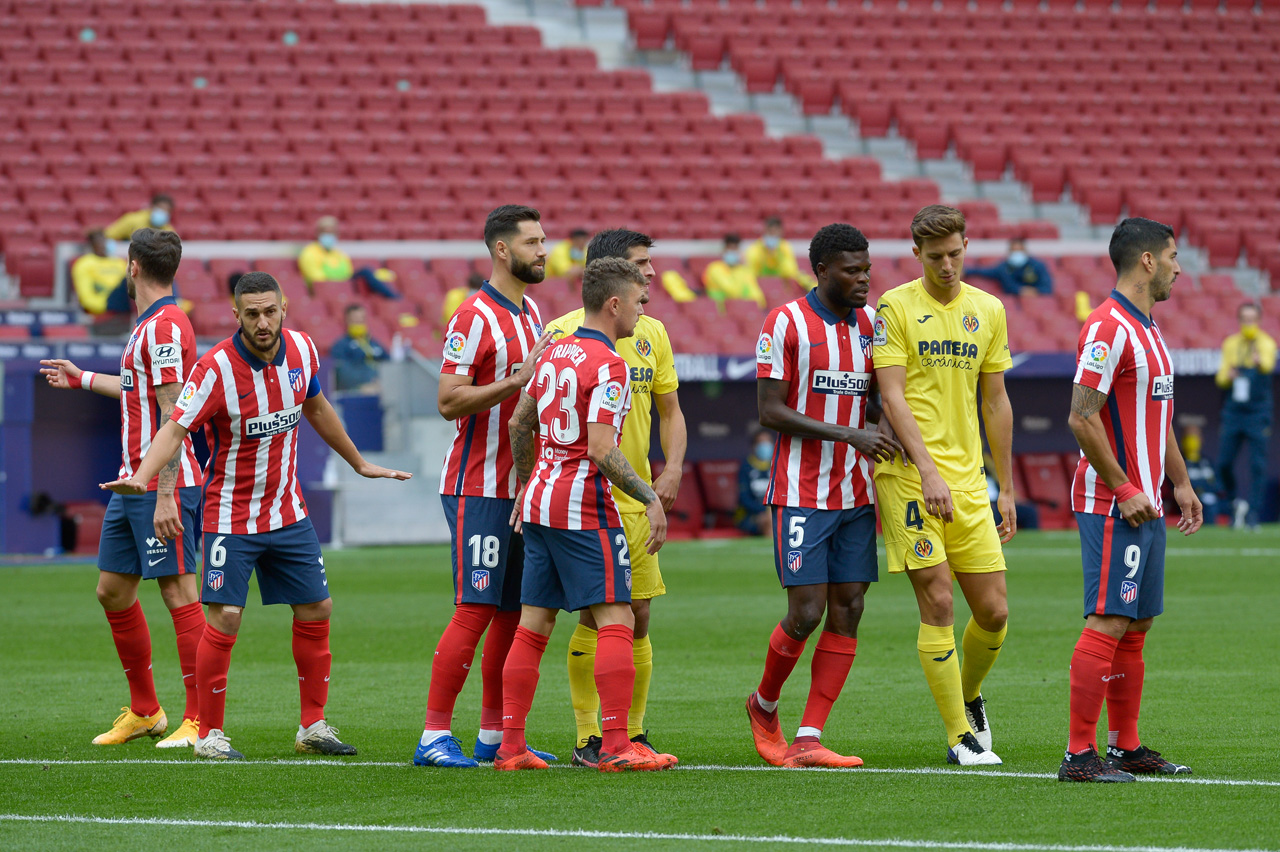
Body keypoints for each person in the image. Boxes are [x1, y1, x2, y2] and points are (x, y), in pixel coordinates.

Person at [101, 272, 412, 760]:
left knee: (318, 608)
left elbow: (318, 407)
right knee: (224, 616)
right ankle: (210, 734)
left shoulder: (305, 350)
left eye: (270, 311)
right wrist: (144, 476)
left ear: (284, 307)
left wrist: (358, 461)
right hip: (231, 515)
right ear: (236, 315)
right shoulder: (215, 368)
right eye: (252, 314)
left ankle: (313, 726)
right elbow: (175, 427)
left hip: (288, 512)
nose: (262, 322)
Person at [499, 256, 671, 771]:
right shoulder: (611, 364)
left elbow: (517, 423)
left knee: (534, 624)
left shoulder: (554, 351)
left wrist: (528, 481)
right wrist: (649, 495)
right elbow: (600, 448)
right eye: (640, 301)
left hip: (540, 501)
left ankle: (511, 748)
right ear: (614, 304)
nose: (644, 310)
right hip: (582, 505)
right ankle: (618, 746)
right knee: (618, 618)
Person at [39, 228, 205, 750]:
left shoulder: (164, 328)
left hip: (159, 484)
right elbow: (141, 390)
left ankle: (200, 720)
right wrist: (83, 378)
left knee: (179, 591)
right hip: (130, 480)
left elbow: (175, 413)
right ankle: (145, 711)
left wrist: (162, 494)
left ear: (132, 267)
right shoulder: (150, 327)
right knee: (112, 590)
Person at [745, 223, 901, 769]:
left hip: (856, 492)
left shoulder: (872, 326)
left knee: (851, 606)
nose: (863, 280)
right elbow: (770, 411)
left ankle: (809, 737)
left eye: (867, 270)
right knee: (806, 612)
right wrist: (850, 433)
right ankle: (764, 705)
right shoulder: (784, 321)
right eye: (851, 271)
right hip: (802, 491)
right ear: (821, 271)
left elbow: (881, 400)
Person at [872, 204, 1015, 767]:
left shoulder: (989, 310)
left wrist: (1007, 485)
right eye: (936, 257)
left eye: (955, 254)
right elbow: (892, 395)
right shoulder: (896, 307)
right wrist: (926, 469)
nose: (948, 265)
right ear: (917, 255)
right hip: (909, 475)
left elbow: (996, 399)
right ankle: (960, 736)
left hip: (969, 479)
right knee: (938, 601)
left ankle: (969, 695)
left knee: (995, 611)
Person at [1061, 216, 1203, 782]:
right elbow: (1080, 415)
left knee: (1137, 623)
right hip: (1111, 501)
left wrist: (1181, 481)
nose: (1177, 266)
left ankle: (1126, 746)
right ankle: (1079, 754)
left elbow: (1157, 417)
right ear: (1146, 260)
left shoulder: (1151, 328)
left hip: (1145, 501)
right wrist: (1122, 487)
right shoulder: (1107, 328)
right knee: (1109, 620)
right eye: (1171, 255)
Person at [414, 204, 555, 769]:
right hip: (478, 486)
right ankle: (432, 736)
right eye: (533, 241)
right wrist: (516, 380)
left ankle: (494, 737)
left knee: (510, 613)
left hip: (520, 487)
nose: (544, 250)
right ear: (502, 250)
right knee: (474, 607)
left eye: (543, 240)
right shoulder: (473, 316)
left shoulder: (531, 311)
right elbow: (448, 399)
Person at [543, 229, 687, 768]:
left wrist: (670, 469)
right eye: (641, 266)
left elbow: (670, 411)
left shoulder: (653, 332)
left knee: (639, 614)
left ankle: (631, 730)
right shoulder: (563, 332)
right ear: (611, 280)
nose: (650, 275)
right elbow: (533, 418)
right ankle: (591, 737)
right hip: (582, 495)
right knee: (596, 617)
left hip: (636, 495)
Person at [1213, 301, 1275, 530]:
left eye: (1252, 319)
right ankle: (1232, 505)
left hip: (1258, 411)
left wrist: (1259, 362)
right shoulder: (1231, 344)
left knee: (1257, 464)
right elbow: (1220, 378)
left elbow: (1268, 366)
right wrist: (1228, 375)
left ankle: (1253, 515)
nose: (1248, 323)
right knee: (1224, 463)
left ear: (1258, 321)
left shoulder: (1266, 343)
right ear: (1239, 321)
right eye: (1244, 319)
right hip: (1234, 411)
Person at [298, 216, 400, 300]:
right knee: (366, 272)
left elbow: (348, 272)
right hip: (327, 288)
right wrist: (338, 277)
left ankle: (392, 297)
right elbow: (316, 277)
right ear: (318, 233)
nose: (329, 236)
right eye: (326, 232)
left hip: (344, 284)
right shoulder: (309, 252)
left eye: (332, 232)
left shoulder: (339, 253)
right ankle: (394, 298)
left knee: (367, 272)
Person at [746, 217, 816, 292]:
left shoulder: (785, 247)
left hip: (781, 282)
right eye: (770, 232)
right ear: (765, 231)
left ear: (781, 232)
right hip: (760, 284)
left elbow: (790, 271)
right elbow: (751, 272)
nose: (773, 235)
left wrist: (775, 255)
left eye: (775, 232)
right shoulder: (754, 249)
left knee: (802, 278)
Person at [965, 238, 1053, 296]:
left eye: (1019, 250)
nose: (1017, 253)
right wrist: (966, 271)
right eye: (1014, 251)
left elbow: (1047, 287)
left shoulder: (1037, 266)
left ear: (1025, 250)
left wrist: (1035, 291)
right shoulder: (1004, 268)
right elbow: (984, 271)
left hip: (1036, 302)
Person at [330, 305, 389, 392]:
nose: (359, 322)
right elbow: (343, 372)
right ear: (347, 321)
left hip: (380, 386)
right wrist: (363, 384)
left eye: (362, 319)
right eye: (355, 320)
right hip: (356, 391)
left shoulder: (374, 343)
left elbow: (389, 363)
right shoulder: (340, 346)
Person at [71, 229, 130, 315]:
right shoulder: (84, 263)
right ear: (92, 245)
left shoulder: (119, 262)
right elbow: (85, 297)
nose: (104, 244)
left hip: (124, 299)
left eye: (105, 241)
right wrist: (104, 306)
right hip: (105, 302)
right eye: (101, 241)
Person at [703, 234, 766, 308]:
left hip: (742, 310)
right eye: (730, 248)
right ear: (724, 250)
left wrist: (755, 306)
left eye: (735, 248)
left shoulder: (744, 270)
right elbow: (733, 291)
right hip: (720, 311)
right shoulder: (715, 268)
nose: (732, 251)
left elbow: (757, 295)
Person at [736, 428, 773, 537]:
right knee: (767, 520)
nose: (765, 446)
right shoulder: (746, 467)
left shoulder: (778, 465)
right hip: (750, 515)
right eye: (761, 442)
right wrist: (764, 510)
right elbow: (744, 498)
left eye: (768, 442)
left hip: (773, 513)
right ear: (754, 446)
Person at [1180, 425, 1218, 520]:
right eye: (1189, 437)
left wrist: (1205, 489)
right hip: (1189, 500)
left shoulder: (1207, 461)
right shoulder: (1179, 462)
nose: (1192, 441)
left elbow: (1217, 484)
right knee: (1207, 507)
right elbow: (1177, 485)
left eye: (1195, 437)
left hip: (1212, 498)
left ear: (1201, 439)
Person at [104, 194, 175, 242]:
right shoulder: (132, 220)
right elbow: (108, 235)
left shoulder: (168, 231)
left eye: (166, 210)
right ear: (151, 207)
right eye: (160, 208)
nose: (162, 212)